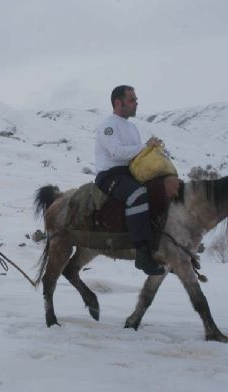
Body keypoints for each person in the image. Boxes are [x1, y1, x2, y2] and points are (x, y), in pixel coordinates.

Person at [94, 85, 164, 275]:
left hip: (130, 173)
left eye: (136, 100)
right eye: (132, 100)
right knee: (137, 194)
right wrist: (144, 147)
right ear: (118, 103)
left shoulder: (132, 127)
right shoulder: (108, 126)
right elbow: (116, 152)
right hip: (110, 175)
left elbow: (136, 156)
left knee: (161, 191)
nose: (136, 103)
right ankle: (142, 254)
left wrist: (152, 151)